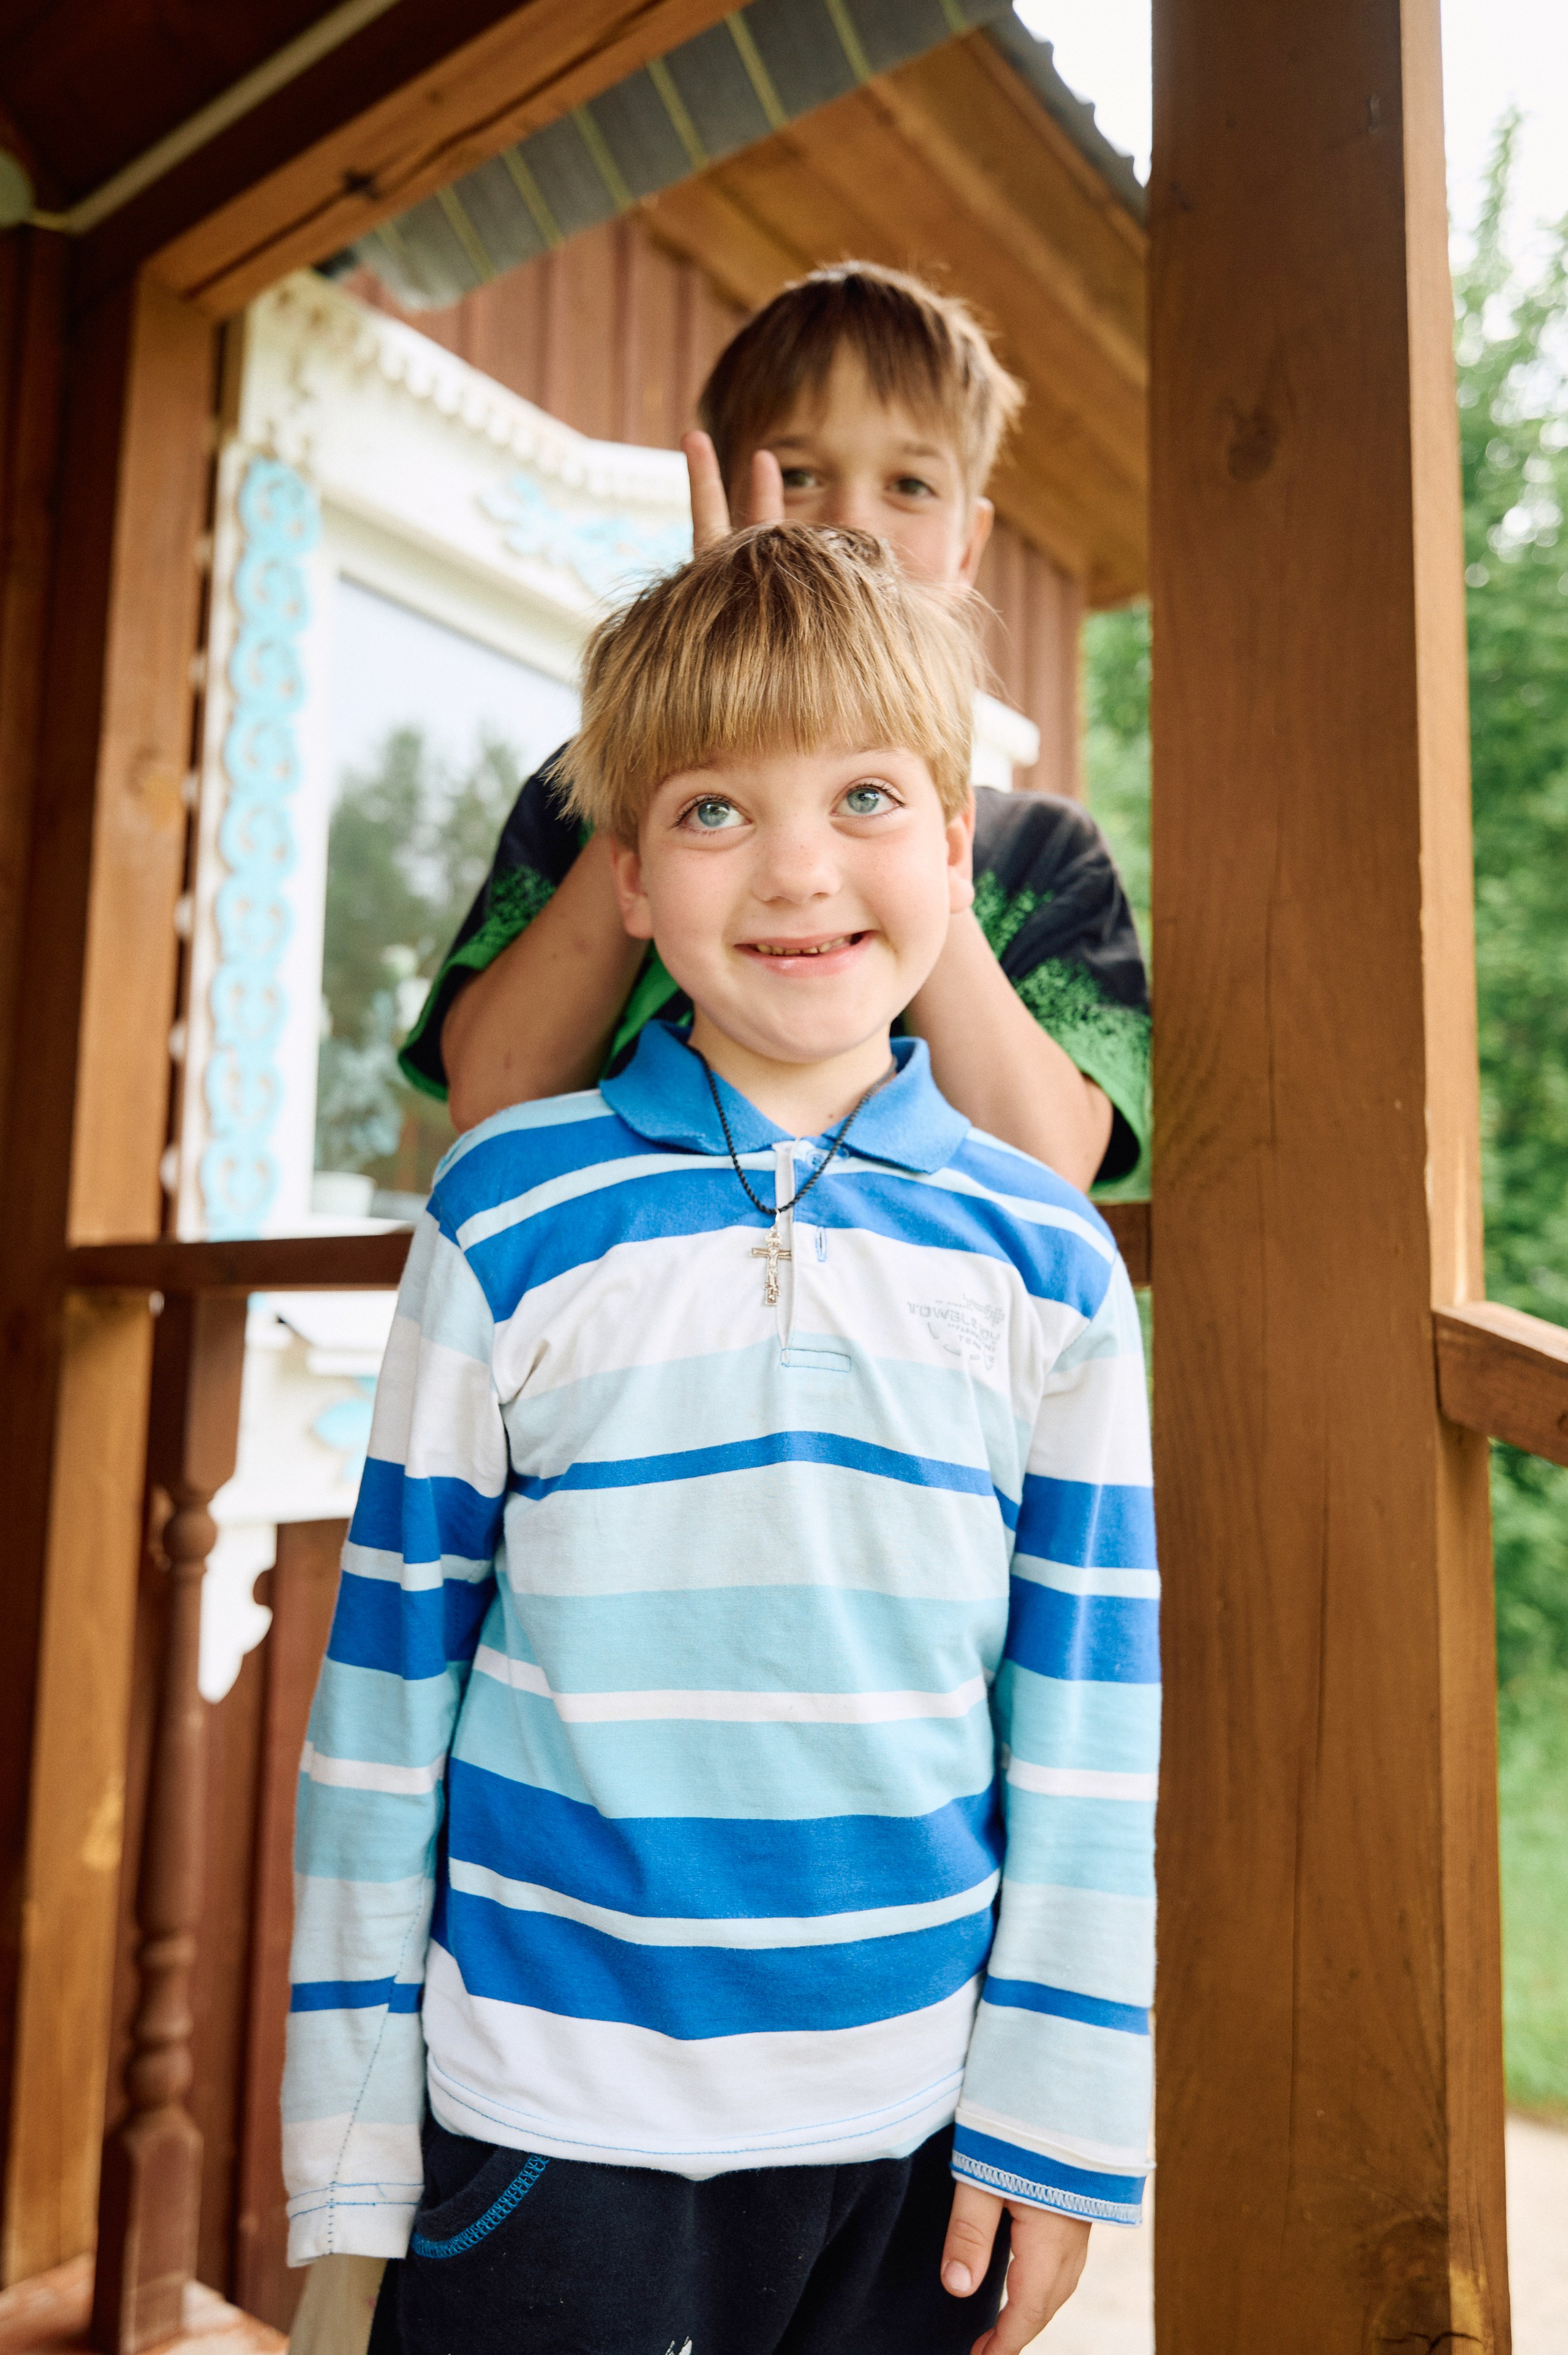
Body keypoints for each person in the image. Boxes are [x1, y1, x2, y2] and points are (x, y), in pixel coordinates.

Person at [284, 527, 1158, 2355]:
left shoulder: (1049, 1260)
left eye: (865, 797)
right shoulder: (507, 1214)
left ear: (955, 844)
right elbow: (384, 1699)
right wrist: (352, 2153)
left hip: (912, 2128)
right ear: (622, 873)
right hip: (543, 2114)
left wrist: (1056, 2120)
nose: (799, 868)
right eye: (712, 810)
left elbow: (1088, 1720)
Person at [399, 263, 1149, 1199]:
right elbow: (495, 1098)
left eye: (910, 484)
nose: (850, 524)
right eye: (796, 476)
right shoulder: (583, 792)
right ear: (713, 507)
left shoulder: (1046, 853)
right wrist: (659, 759)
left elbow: (1048, 1165)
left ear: (968, 547)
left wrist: (915, 851)